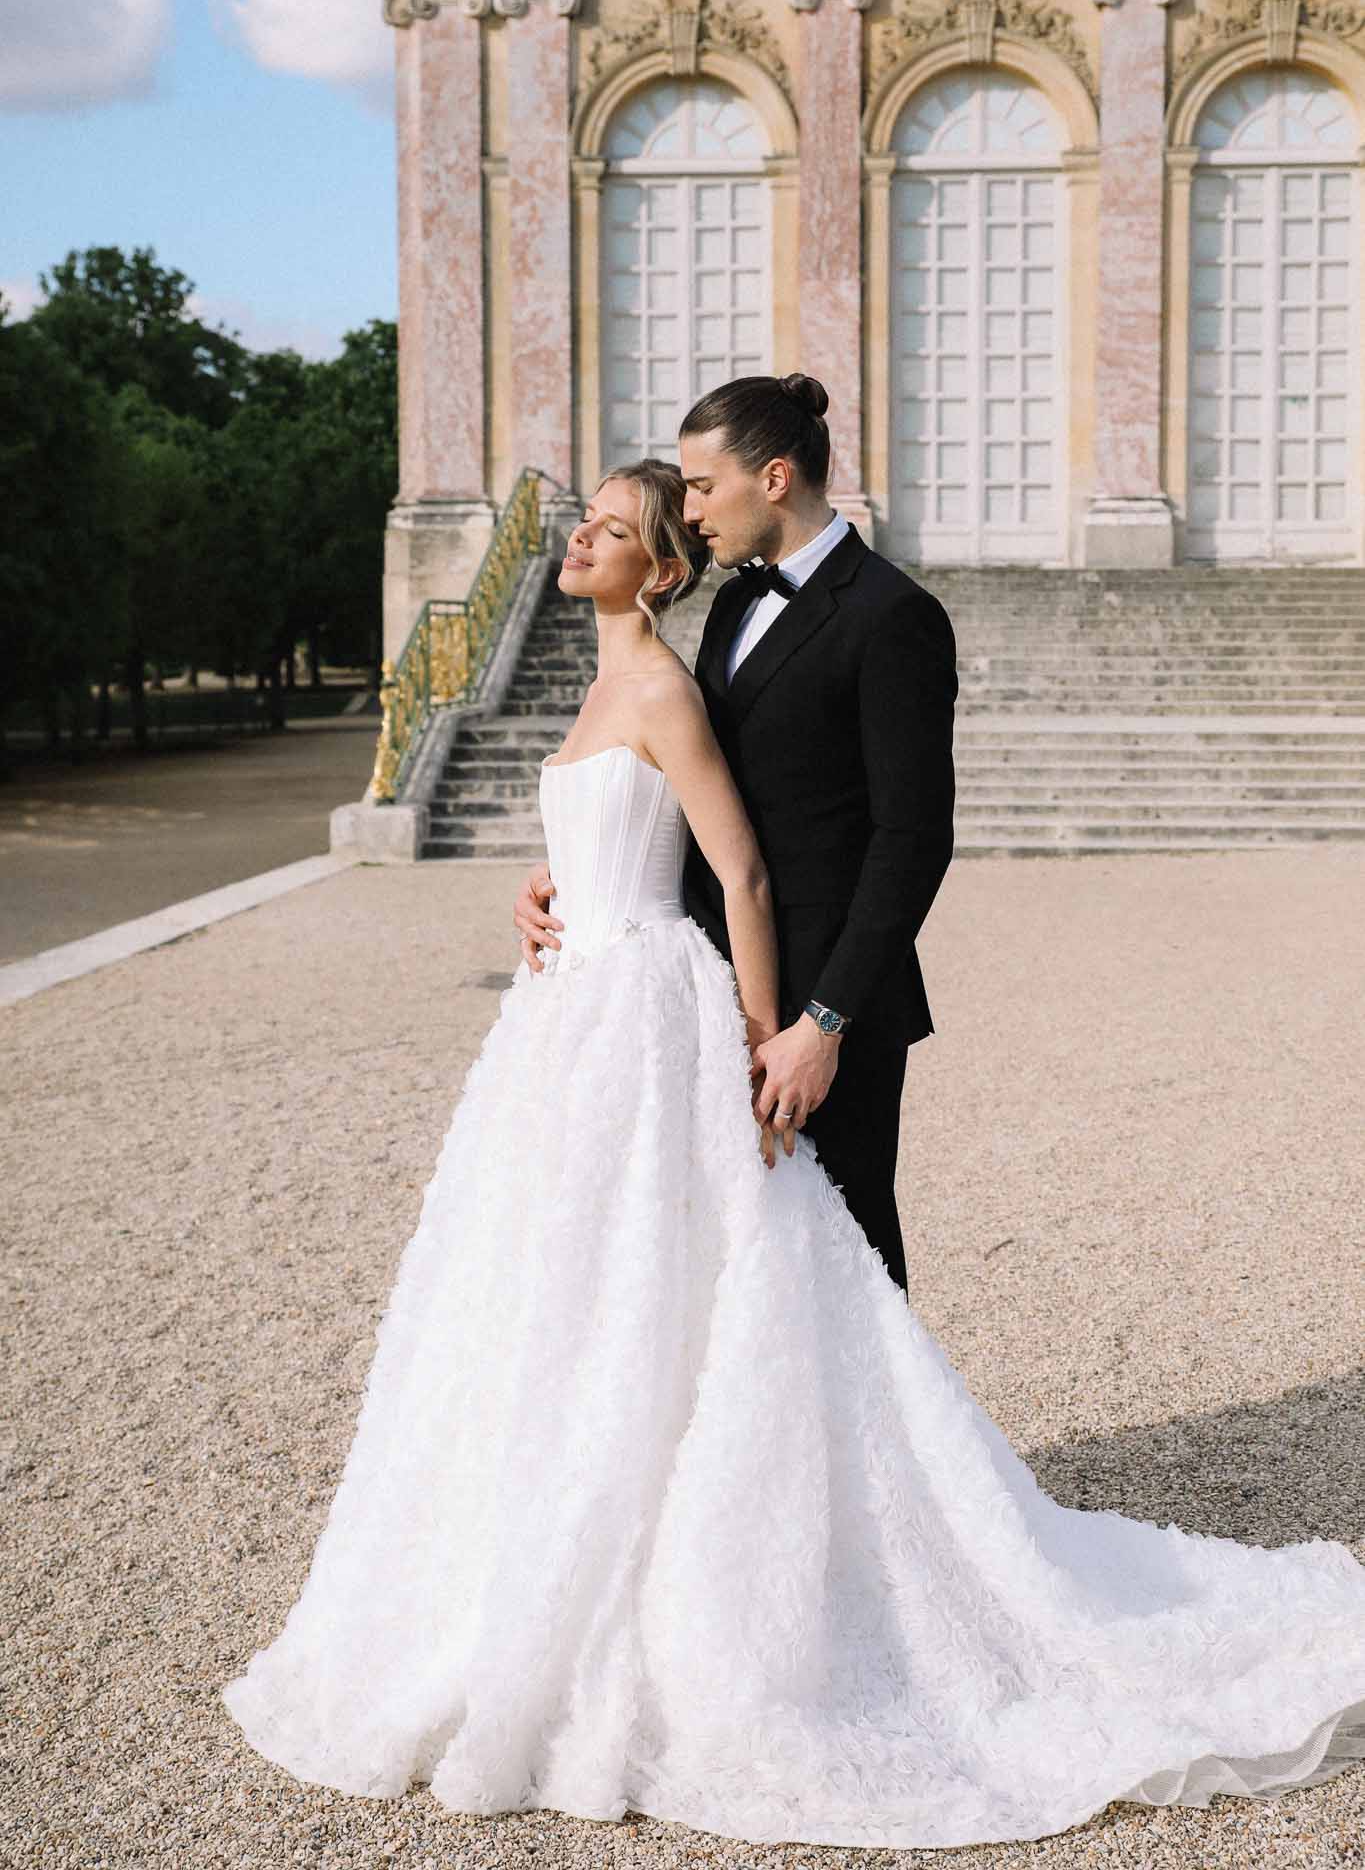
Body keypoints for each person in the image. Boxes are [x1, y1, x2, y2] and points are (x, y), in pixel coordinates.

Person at [222, 452, 1365, 1850]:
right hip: (571, 1012)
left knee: (721, 1278)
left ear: (668, 559)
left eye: (629, 520)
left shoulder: (695, 670)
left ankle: (825, 1563)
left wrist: (773, 1034)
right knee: (564, 1279)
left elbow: (753, 864)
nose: (593, 531)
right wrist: (554, 886)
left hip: (665, 1010)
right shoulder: (646, 663)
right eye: (604, 515)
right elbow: (652, 837)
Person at [515, 374, 958, 1292]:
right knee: (727, 1263)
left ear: (774, 477)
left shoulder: (892, 615)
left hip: (828, 1002)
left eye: (702, 486)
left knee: (845, 1258)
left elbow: (911, 838)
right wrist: (578, 868)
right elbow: (689, 785)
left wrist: (821, 1023)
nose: (690, 507)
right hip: (700, 989)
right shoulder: (727, 604)